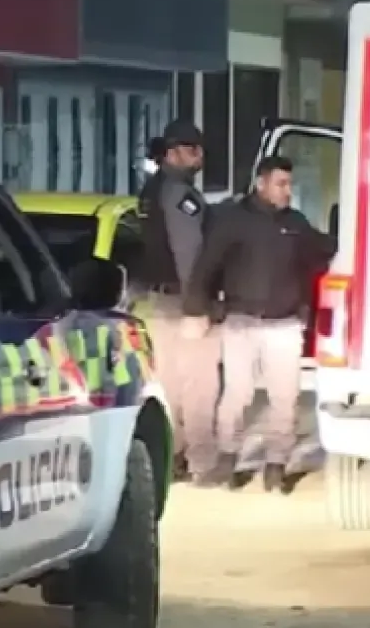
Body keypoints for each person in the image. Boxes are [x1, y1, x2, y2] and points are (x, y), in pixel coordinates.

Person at [182, 156, 337, 493]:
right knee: (237, 394)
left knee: (285, 396)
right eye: (281, 184)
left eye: (289, 184)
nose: (287, 191)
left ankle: (276, 463)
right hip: (241, 322)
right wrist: (198, 308)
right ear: (261, 183)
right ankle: (228, 456)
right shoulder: (234, 220)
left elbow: (323, 252)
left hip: (284, 324)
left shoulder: (295, 223)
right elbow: (207, 265)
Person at [137, 120, 224, 486]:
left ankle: (171, 457)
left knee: (169, 384)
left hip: (159, 302)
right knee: (199, 386)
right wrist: (198, 305)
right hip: (182, 303)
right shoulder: (179, 195)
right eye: (191, 150)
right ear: (172, 153)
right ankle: (201, 462)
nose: (199, 156)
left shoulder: (151, 190)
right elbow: (189, 252)